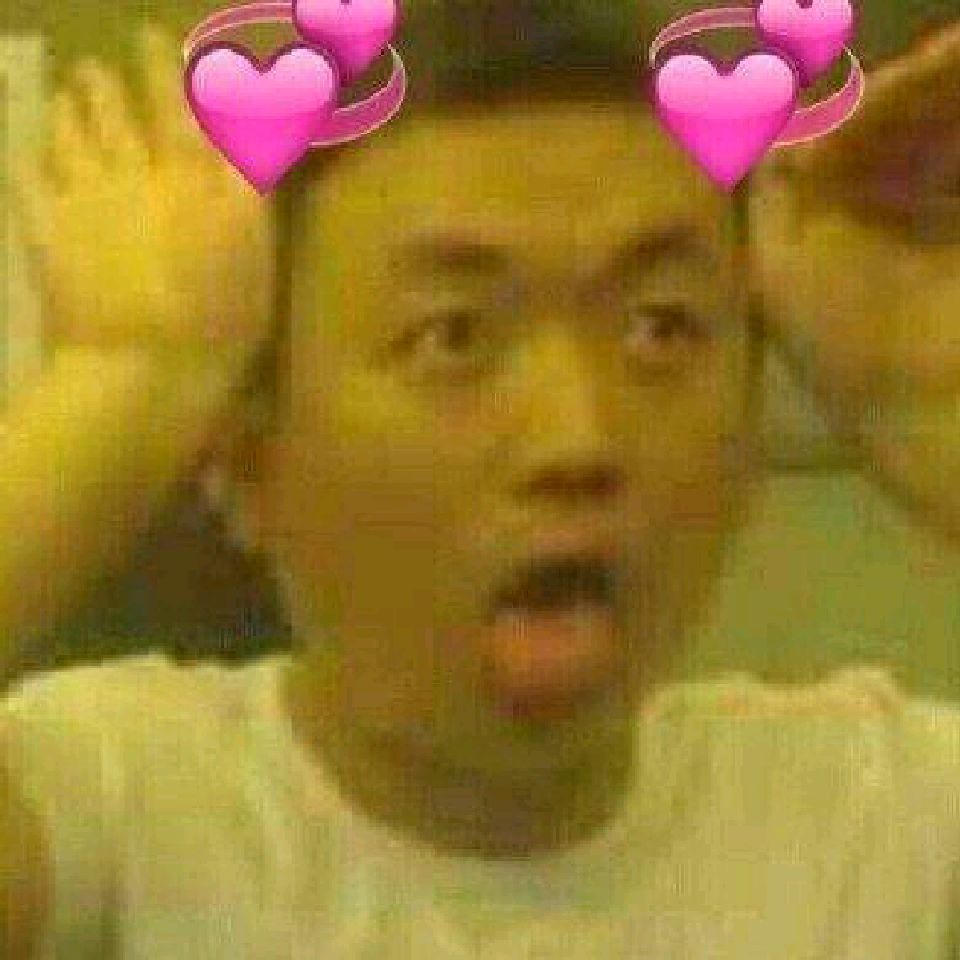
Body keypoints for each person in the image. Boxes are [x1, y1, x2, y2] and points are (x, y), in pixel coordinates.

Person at [1, 3, 959, 956]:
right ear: (251, 464)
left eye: (659, 326)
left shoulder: (877, 819)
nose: (578, 437)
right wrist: (127, 371)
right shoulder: (116, 799)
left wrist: (919, 411)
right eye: (452, 336)